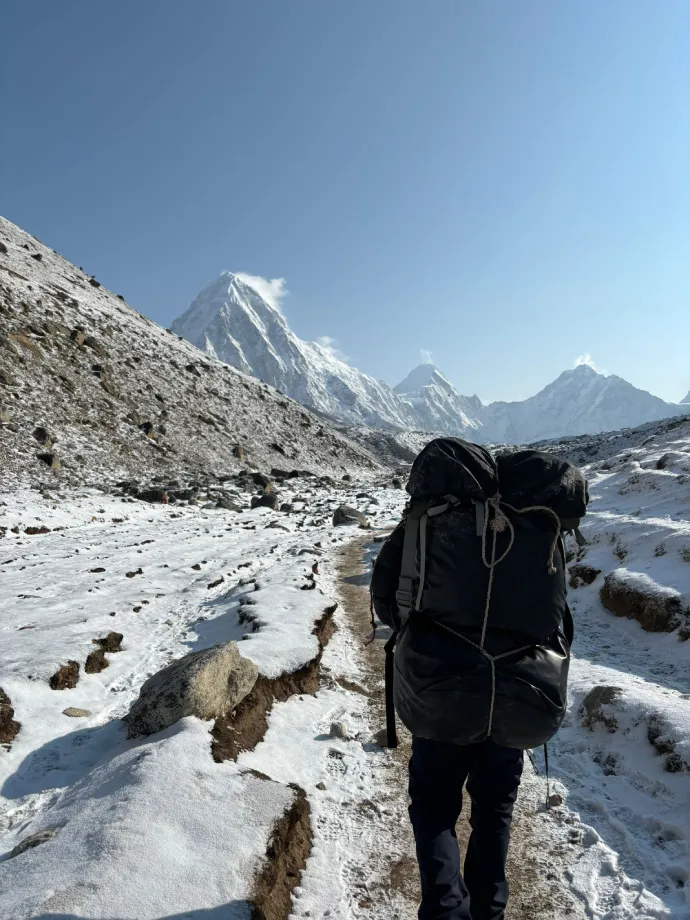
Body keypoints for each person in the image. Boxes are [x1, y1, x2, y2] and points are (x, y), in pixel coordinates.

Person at [370, 438, 588, 920]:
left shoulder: (426, 519)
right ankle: (489, 910)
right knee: (494, 808)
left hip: (439, 692)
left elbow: (387, 602)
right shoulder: (537, 527)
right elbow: (557, 621)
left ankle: (447, 910)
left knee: (434, 807)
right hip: (519, 692)